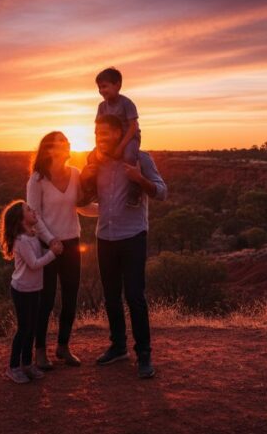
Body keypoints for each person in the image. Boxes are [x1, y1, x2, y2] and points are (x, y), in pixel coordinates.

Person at [80, 113, 167, 379]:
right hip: (105, 236)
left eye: (105, 133)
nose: (100, 138)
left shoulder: (140, 158)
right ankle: (118, 347)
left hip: (133, 236)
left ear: (121, 134)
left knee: (135, 297)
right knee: (111, 297)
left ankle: (144, 353)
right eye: (97, 134)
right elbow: (84, 197)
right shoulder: (95, 161)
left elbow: (162, 192)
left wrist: (139, 179)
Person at [27, 131, 97, 369]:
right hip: (47, 246)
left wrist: (109, 209)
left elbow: (82, 206)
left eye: (67, 143)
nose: (66, 146)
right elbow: (34, 217)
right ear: (48, 150)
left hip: (71, 243)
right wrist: (51, 240)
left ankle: (63, 346)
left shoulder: (75, 174)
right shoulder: (37, 180)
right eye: (60, 144)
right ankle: (39, 352)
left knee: (70, 297)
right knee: (45, 300)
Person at [0, 200, 63, 384]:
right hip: (22, 289)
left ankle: (26, 364)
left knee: (31, 328)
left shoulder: (33, 236)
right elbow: (34, 264)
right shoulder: (22, 241)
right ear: (20, 219)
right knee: (24, 329)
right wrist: (53, 253)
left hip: (34, 289)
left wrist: (51, 247)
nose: (33, 211)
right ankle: (13, 367)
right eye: (28, 210)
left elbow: (39, 257)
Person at [81, 67, 143, 207]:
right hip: (109, 140)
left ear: (118, 85)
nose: (102, 91)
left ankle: (134, 191)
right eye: (99, 88)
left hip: (129, 137)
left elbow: (133, 126)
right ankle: (93, 190)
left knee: (129, 156)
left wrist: (121, 147)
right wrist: (99, 150)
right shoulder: (102, 106)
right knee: (92, 157)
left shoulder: (127, 103)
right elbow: (98, 129)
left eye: (105, 86)